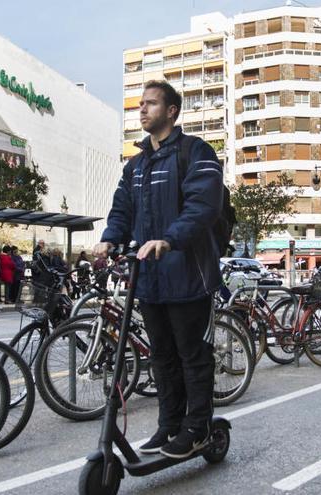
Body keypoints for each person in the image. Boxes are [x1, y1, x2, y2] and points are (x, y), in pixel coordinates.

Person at [94, 80, 223, 459]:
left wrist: (170, 239)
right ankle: (169, 426)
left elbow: (204, 205)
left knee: (192, 355)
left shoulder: (194, 151)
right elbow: (123, 209)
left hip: (187, 273)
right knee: (162, 356)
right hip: (148, 279)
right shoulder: (136, 164)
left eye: (150, 103)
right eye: (140, 105)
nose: (142, 110)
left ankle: (196, 428)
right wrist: (109, 237)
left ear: (171, 111)